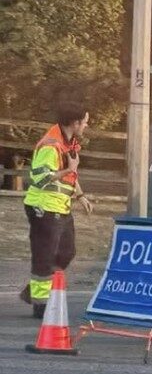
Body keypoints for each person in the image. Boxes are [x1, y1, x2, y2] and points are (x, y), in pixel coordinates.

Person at [19, 104, 93, 318]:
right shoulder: (51, 145)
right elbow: (39, 178)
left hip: (61, 206)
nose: (86, 126)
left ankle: (33, 291)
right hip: (43, 207)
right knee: (45, 255)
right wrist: (68, 169)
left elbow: (70, 176)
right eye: (85, 121)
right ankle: (40, 306)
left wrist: (81, 196)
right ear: (75, 122)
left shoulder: (69, 143)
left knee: (67, 252)